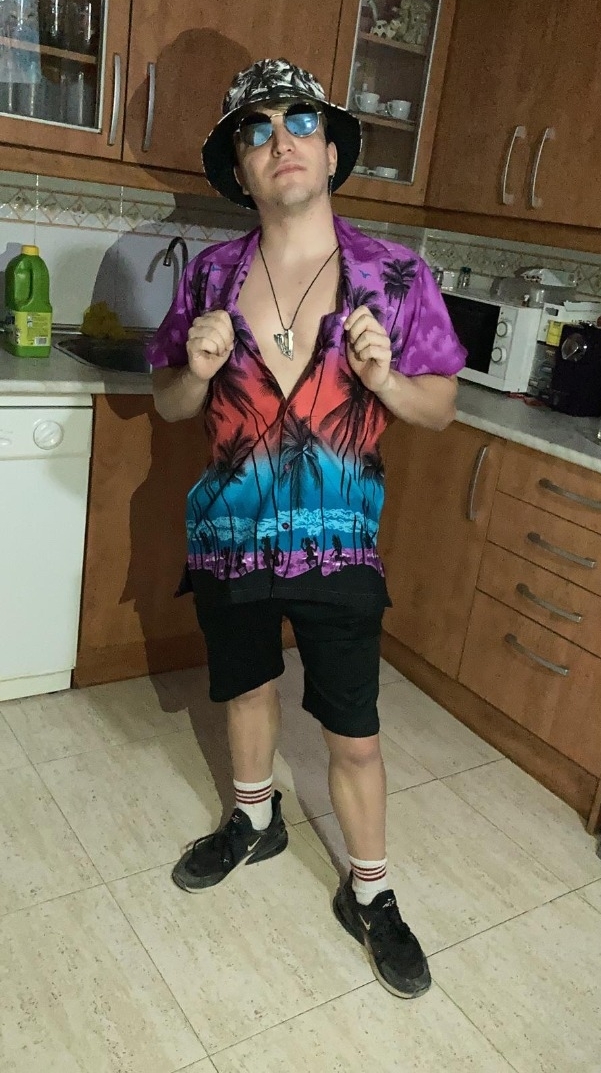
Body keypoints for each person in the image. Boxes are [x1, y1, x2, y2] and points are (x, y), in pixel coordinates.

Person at [147, 58, 466, 1000]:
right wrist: (194, 371)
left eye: (299, 123)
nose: (279, 141)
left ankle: (370, 891)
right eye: (255, 130)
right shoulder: (209, 275)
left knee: (353, 734)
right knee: (245, 689)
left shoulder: (396, 275)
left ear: (330, 152)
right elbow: (168, 405)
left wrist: (385, 381)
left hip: (339, 543)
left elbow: (440, 408)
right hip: (230, 537)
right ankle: (254, 820)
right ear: (239, 170)